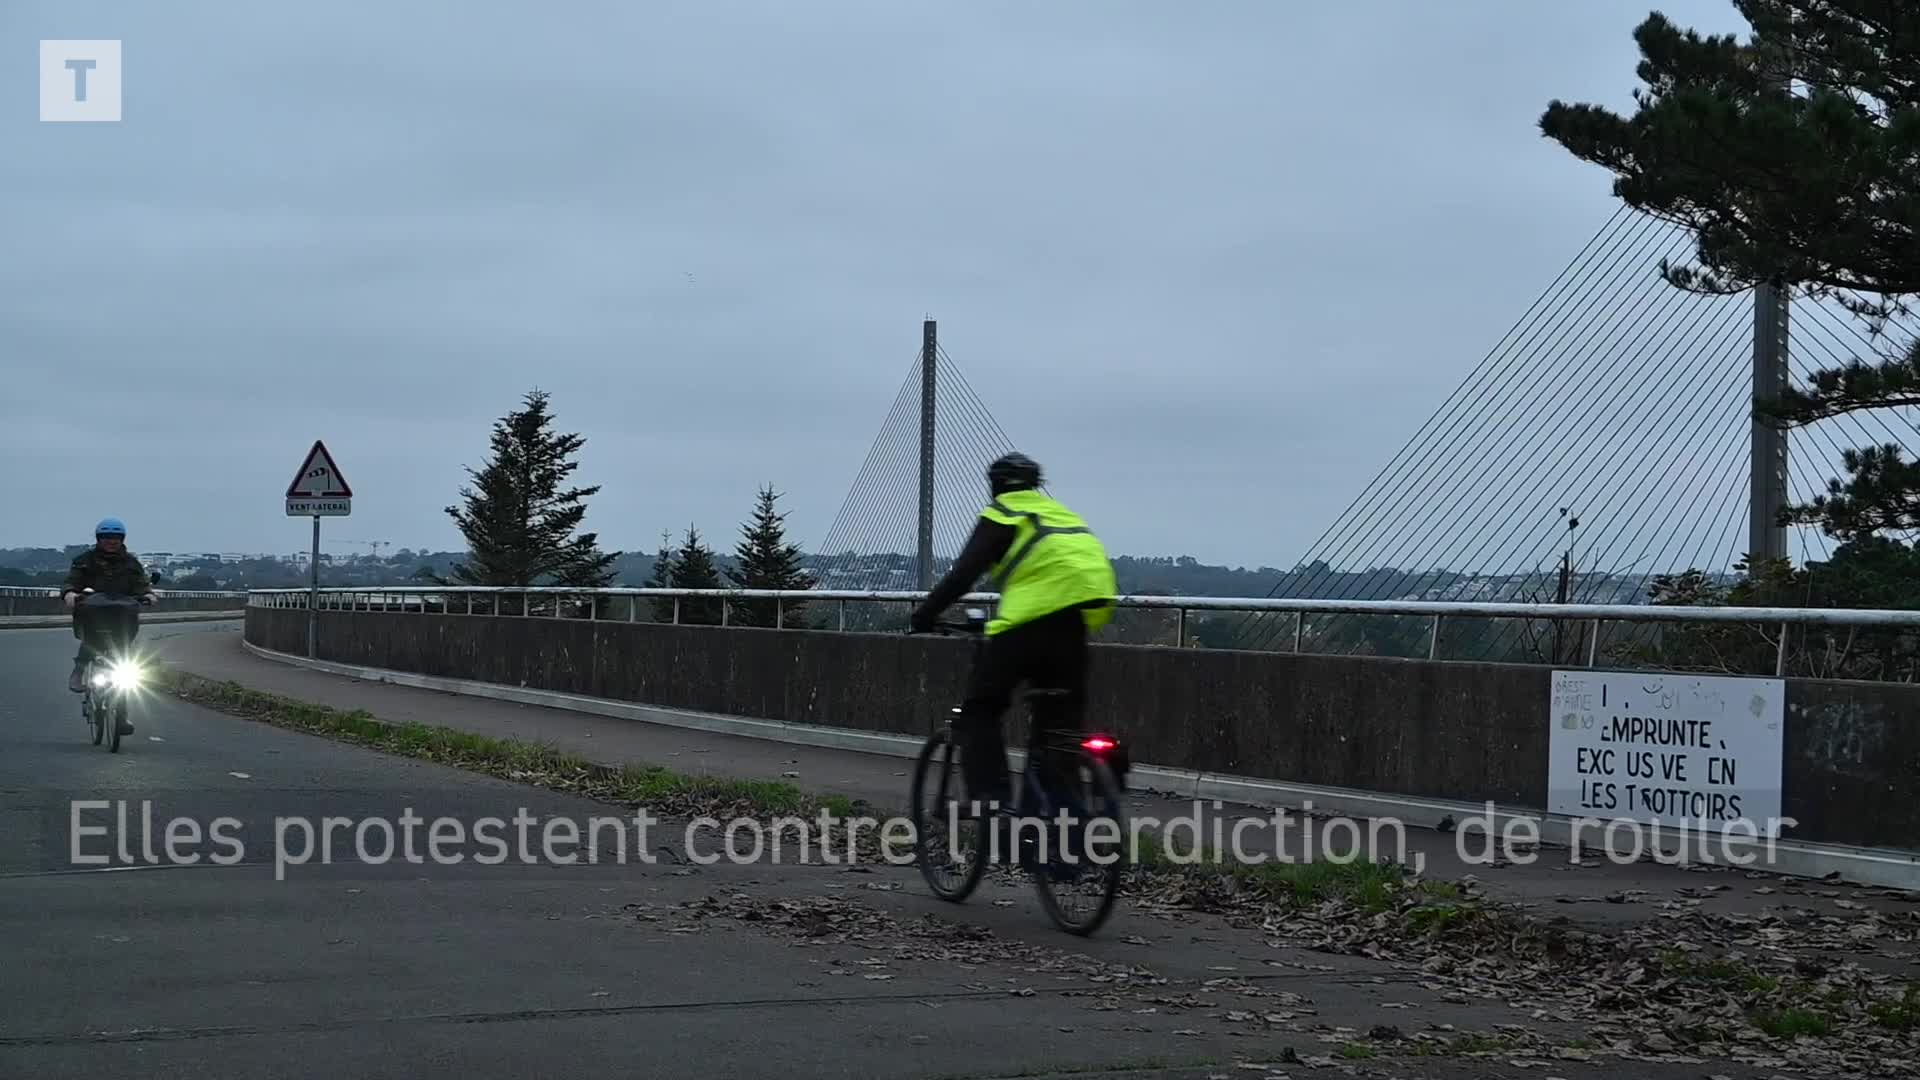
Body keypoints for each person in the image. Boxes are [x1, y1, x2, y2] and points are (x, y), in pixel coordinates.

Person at [909, 452, 1117, 826]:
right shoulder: (1063, 516)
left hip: (1025, 628)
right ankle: (1062, 840)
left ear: (995, 486)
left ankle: (994, 800)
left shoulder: (1002, 514)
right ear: (1036, 485)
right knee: (1059, 733)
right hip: (1073, 627)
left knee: (980, 710)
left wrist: (924, 614)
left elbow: (963, 575)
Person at [61, 518, 155, 726]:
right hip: (92, 613)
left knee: (125, 664)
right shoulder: (84, 560)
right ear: (98, 539)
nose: (111, 542)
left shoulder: (131, 563)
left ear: (122, 539)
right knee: (91, 640)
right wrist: (69, 593)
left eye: (115, 538)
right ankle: (80, 670)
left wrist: (148, 594)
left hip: (123, 615)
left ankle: (122, 716)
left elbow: (141, 584)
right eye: (106, 538)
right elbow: (71, 581)